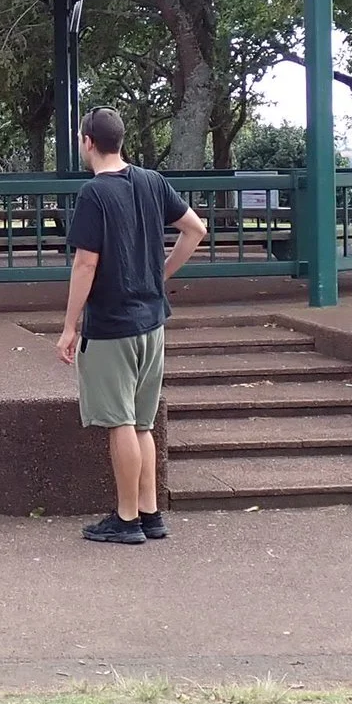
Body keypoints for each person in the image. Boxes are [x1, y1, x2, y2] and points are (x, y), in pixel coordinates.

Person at [55, 108, 207, 545]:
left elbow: (85, 263)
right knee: (142, 423)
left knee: (120, 421)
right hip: (152, 321)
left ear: (87, 141)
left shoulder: (93, 194)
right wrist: (160, 273)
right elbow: (194, 229)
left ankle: (125, 519)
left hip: (113, 324)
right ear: (120, 140)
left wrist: (69, 326)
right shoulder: (151, 181)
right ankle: (149, 512)